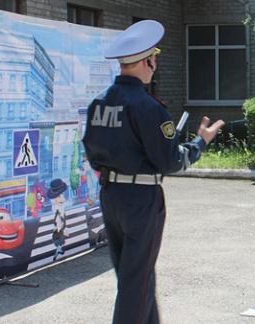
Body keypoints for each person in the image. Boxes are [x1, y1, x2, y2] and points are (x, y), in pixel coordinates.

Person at [82, 20, 224, 324]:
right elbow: (170, 161)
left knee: (136, 276)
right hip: (141, 199)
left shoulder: (99, 103)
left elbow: (91, 152)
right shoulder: (147, 106)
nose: (155, 65)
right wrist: (201, 142)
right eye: (154, 59)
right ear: (147, 60)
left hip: (110, 196)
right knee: (136, 282)